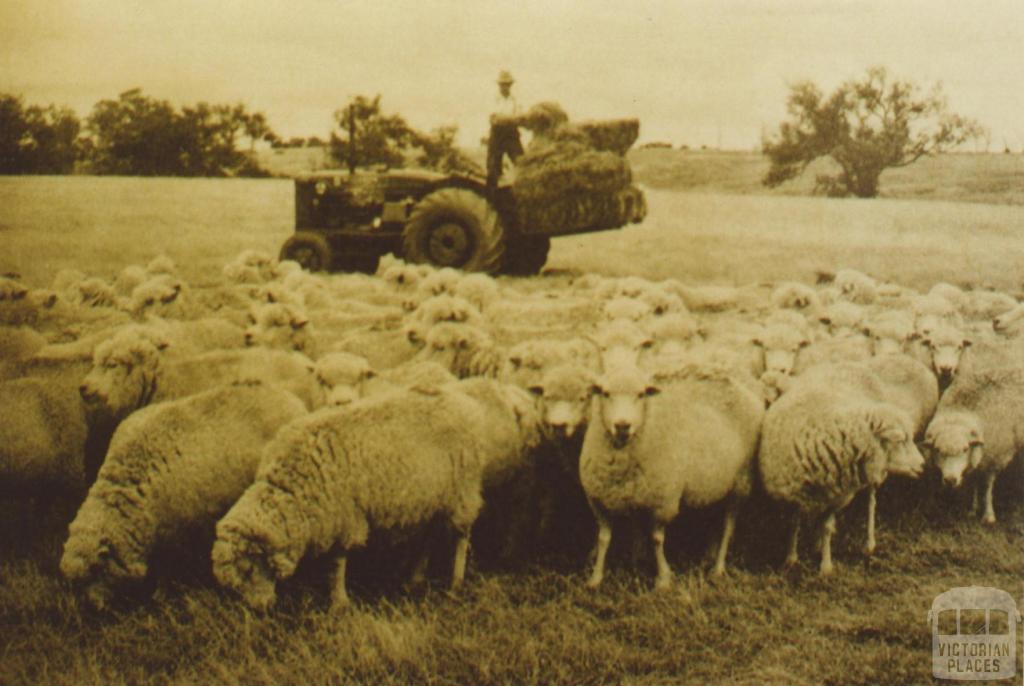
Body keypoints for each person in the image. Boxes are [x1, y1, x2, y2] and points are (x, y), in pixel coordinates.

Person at [486, 70, 524, 190]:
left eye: (507, 84)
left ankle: (524, 189)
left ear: (510, 85)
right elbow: (493, 119)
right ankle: (492, 193)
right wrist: (509, 119)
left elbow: (519, 117)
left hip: (512, 134)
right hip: (497, 134)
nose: (505, 87)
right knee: (493, 166)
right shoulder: (494, 99)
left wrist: (505, 119)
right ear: (499, 85)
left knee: (521, 162)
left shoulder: (515, 99)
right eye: (503, 84)